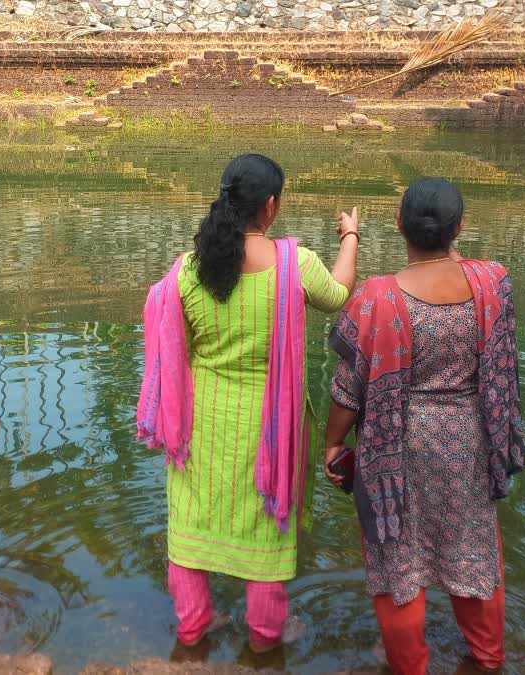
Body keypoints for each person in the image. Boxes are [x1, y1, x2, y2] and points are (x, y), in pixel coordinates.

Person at [137, 153, 360, 653]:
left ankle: (194, 628)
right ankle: (264, 641)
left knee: (193, 523)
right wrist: (350, 236)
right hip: (271, 427)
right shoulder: (293, 264)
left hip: (200, 423)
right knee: (267, 524)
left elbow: (176, 349)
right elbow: (341, 292)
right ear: (272, 206)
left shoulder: (189, 270)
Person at [323, 177, 525, 674]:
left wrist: (331, 443)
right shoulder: (492, 282)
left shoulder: (377, 298)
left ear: (398, 225)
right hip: (468, 442)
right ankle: (487, 658)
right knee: (473, 549)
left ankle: (409, 666)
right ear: (460, 226)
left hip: (395, 448)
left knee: (398, 561)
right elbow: (502, 366)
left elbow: (350, 389)